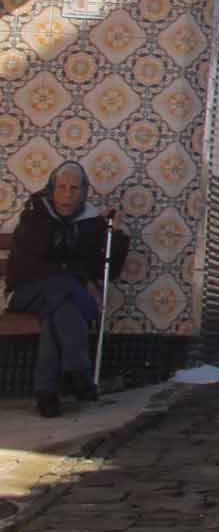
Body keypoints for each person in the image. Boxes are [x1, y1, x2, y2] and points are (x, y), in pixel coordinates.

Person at [5, 162, 130, 418]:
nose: (68, 194)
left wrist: (115, 234)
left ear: (83, 192)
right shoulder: (35, 216)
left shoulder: (89, 222)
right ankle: (79, 373)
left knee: (60, 310)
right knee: (65, 292)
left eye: (74, 188)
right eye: (62, 187)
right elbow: (35, 266)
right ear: (52, 190)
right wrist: (80, 282)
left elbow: (107, 270)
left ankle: (47, 394)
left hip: (57, 299)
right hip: (27, 293)